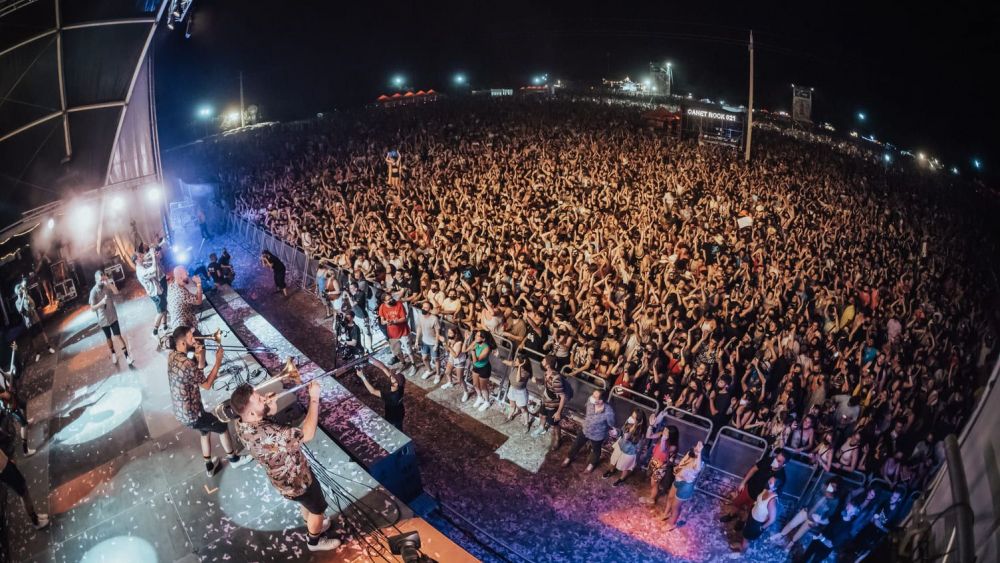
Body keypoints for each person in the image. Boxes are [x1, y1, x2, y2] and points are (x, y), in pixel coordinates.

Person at [228, 380, 341, 551]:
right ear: (250, 412)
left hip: (284, 481)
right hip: (297, 479)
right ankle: (314, 542)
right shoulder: (271, 434)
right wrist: (314, 398)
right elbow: (308, 434)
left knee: (307, 503)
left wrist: (270, 407)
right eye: (258, 400)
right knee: (318, 510)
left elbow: (263, 420)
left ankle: (312, 525)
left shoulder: (241, 423)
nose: (263, 398)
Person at [167, 325, 252, 476]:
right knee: (222, 427)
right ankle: (234, 460)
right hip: (193, 414)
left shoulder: (173, 356)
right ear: (182, 343)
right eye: (191, 338)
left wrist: (200, 355)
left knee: (205, 432)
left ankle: (209, 467)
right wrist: (218, 361)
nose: (194, 339)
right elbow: (206, 385)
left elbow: (197, 372)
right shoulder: (186, 363)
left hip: (183, 412)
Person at [720, 451, 788, 528]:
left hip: (758, 498)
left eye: (779, 461)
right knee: (736, 503)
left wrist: (763, 504)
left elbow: (775, 494)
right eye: (776, 457)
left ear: (783, 465)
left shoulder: (781, 477)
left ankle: (741, 522)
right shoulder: (768, 460)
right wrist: (743, 483)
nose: (775, 461)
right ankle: (731, 515)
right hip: (749, 488)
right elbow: (753, 469)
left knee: (749, 511)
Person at [771, 477, 841, 549]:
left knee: (801, 531)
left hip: (814, 518)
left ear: (837, 489)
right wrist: (804, 506)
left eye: (834, 486)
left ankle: (791, 543)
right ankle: (780, 535)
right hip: (806, 510)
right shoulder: (821, 490)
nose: (831, 487)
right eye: (831, 484)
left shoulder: (834, 501)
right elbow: (810, 497)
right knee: (792, 523)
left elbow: (830, 513)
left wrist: (819, 520)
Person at [562, 389, 617, 473]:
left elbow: (611, 423)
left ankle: (592, 463)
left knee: (596, 450)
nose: (592, 397)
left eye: (595, 397)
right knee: (576, 444)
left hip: (597, 435)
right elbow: (587, 410)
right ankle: (569, 457)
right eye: (593, 395)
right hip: (586, 429)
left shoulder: (608, 412)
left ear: (601, 400)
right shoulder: (590, 401)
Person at [796, 497, 862, 563]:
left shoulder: (846, 529)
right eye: (847, 506)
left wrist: (820, 537)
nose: (846, 508)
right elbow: (827, 521)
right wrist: (818, 520)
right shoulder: (839, 514)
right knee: (805, 556)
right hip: (817, 540)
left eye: (848, 508)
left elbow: (831, 544)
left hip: (824, 549)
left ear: (853, 513)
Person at [89, 270, 133, 366]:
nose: (102, 281)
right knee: (108, 338)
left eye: (103, 279)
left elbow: (116, 292)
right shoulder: (93, 292)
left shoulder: (107, 286)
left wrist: (108, 282)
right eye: (100, 280)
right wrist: (101, 303)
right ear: (96, 280)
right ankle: (113, 353)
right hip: (103, 319)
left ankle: (127, 357)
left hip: (112, 316)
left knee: (118, 336)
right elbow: (92, 308)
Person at [0, 449, 48, 530]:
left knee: (23, 489)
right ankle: (36, 522)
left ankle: (35, 517)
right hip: (4, 470)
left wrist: (7, 459)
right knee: (23, 493)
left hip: (6, 464)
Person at [1, 343, 36, 456]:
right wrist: (5, 394)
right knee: (23, 424)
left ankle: (25, 422)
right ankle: (25, 451)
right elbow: (4, 395)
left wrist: (11, 371)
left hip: (12, 396)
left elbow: (5, 375)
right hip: (8, 404)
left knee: (24, 405)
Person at [661, 441, 704, 530]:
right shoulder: (690, 455)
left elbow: (697, 468)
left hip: (685, 486)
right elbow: (682, 464)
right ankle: (666, 514)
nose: (696, 448)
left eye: (698, 448)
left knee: (675, 507)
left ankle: (671, 524)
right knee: (670, 498)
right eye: (696, 447)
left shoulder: (699, 463)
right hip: (677, 480)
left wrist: (699, 452)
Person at [732, 475, 780, 552]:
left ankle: (742, 549)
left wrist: (761, 527)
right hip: (752, 516)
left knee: (746, 537)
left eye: (771, 482)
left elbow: (772, 519)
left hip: (757, 523)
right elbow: (759, 500)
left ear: (775, 487)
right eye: (769, 480)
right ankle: (743, 542)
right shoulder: (766, 490)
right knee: (746, 532)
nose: (768, 482)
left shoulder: (772, 501)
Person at [357, 358, 406, 431]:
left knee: (394, 429)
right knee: (399, 425)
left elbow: (372, 391)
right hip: (400, 412)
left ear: (395, 383)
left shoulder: (391, 396)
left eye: (393, 376)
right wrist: (370, 359)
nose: (391, 376)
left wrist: (362, 377)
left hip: (393, 418)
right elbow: (383, 368)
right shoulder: (399, 386)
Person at [602, 409, 648, 486]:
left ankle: (621, 479)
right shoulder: (628, 422)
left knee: (625, 467)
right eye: (632, 416)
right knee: (613, 460)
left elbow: (638, 445)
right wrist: (616, 432)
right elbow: (622, 431)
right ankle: (611, 471)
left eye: (634, 417)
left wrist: (630, 434)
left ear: (639, 420)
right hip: (620, 446)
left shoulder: (641, 431)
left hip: (629, 452)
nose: (631, 418)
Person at [14, 281, 55, 363]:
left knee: (42, 334)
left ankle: (49, 347)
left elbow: (33, 305)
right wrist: (23, 298)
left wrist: (26, 297)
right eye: (19, 289)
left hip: (35, 319)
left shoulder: (27, 296)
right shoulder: (17, 302)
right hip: (28, 323)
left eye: (21, 288)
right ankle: (38, 353)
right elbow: (20, 311)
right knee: (34, 339)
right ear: (16, 292)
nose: (21, 290)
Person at [532, 355, 567, 448]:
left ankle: (558, 439)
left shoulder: (556, 379)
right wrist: (537, 380)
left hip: (553, 405)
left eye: (543, 361)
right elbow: (545, 383)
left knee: (554, 424)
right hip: (545, 401)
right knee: (542, 415)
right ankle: (542, 428)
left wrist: (558, 412)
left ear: (548, 365)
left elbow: (563, 397)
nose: (542, 362)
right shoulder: (546, 373)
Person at [639, 424, 679, 506]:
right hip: (653, 462)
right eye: (664, 430)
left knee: (655, 484)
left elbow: (663, 449)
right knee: (652, 482)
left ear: (671, 435)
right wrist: (650, 426)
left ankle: (651, 499)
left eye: (666, 431)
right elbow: (648, 436)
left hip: (660, 467)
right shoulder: (662, 435)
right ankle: (652, 496)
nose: (664, 432)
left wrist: (663, 439)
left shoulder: (673, 446)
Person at [377, 292, 416, 374]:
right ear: (384, 301)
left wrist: (394, 321)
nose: (391, 300)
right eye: (388, 300)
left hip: (403, 331)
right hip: (392, 333)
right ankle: (403, 363)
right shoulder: (382, 307)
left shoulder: (399, 304)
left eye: (391, 298)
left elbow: (404, 318)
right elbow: (382, 321)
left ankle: (414, 365)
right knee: (397, 351)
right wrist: (386, 322)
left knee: (409, 350)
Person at [135, 245, 168, 340]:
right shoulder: (140, 271)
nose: (142, 257)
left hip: (158, 290)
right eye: (140, 257)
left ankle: (165, 327)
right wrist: (153, 257)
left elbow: (152, 263)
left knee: (164, 308)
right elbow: (153, 270)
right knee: (160, 312)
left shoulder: (142, 265)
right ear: (136, 261)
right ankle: (154, 332)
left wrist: (155, 257)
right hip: (155, 293)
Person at [467, 329, 496, 412]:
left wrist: (473, 351)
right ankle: (480, 398)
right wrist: (466, 339)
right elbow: (464, 350)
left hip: (484, 368)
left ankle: (487, 402)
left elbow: (475, 360)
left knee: (483, 387)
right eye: (476, 335)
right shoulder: (475, 342)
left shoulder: (486, 348)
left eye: (478, 336)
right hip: (476, 367)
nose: (475, 337)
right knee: (475, 384)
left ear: (483, 339)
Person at [413, 302, 441, 383]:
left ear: (430, 309)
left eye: (426, 308)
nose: (423, 309)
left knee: (436, 359)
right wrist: (417, 340)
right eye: (423, 307)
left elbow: (438, 333)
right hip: (424, 341)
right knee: (424, 358)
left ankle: (438, 374)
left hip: (433, 342)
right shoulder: (420, 316)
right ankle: (429, 370)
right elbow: (419, 328)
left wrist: (436, 344)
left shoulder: (434, 319)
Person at [502, 351, 531, 428]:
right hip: (512, 388)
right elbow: (507, 362)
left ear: (522, 363)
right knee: (512, 405)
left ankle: (526, 423)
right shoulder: (516, 365)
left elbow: (518, 379)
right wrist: (499, 356)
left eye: (517, 361)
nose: (515, 362)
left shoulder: (526, 372)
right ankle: (509, 417)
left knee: (523, 409)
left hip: (521, 392)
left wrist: (520, 367)